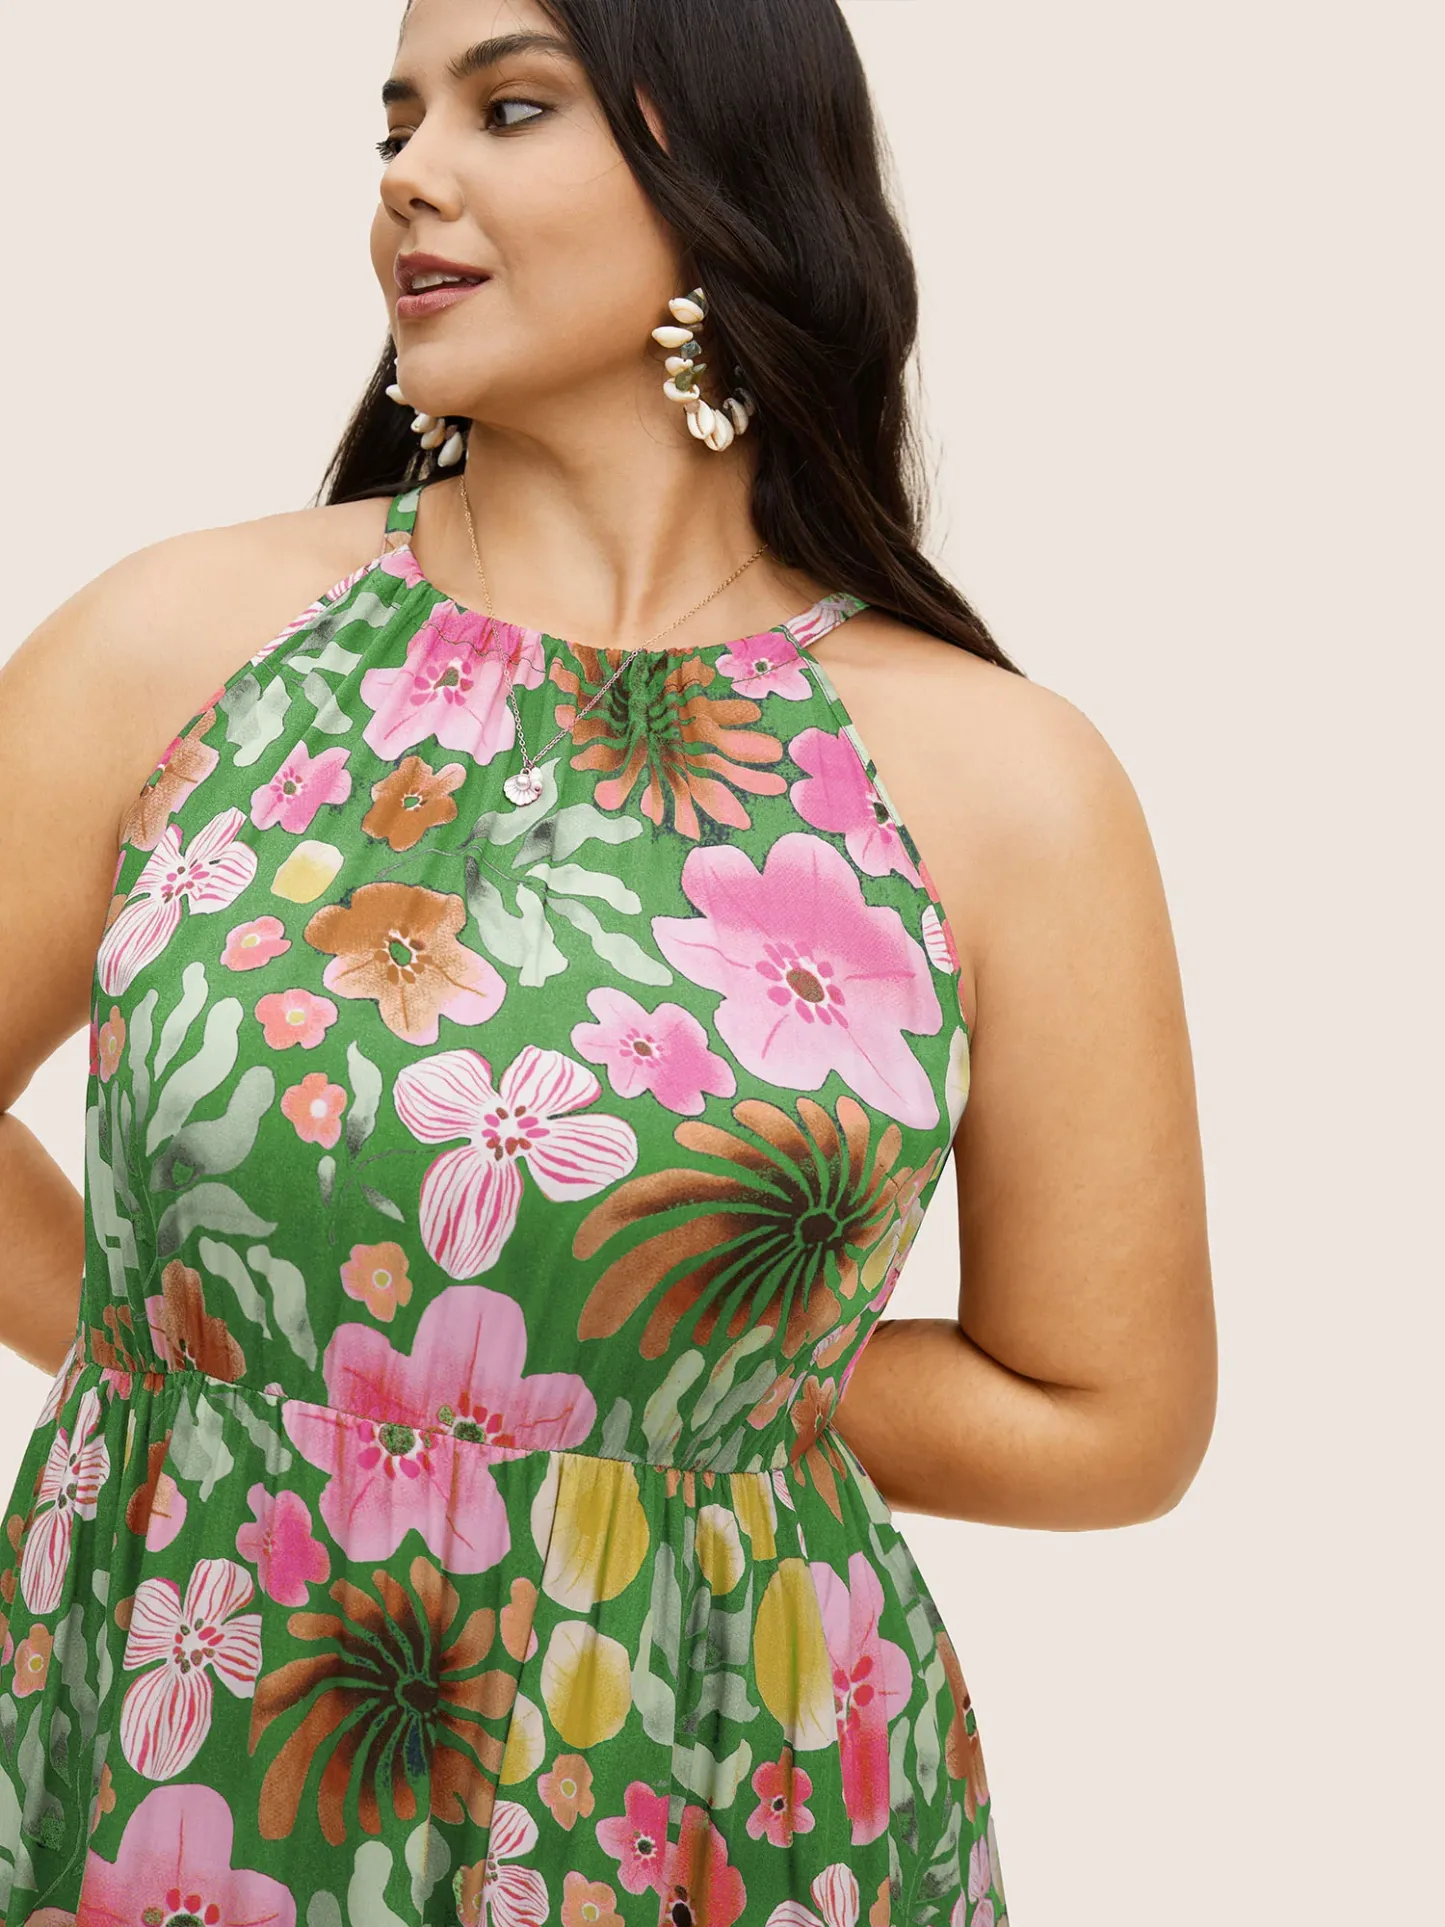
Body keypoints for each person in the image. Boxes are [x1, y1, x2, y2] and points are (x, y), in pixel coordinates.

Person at [0, 2, 1216, 1922]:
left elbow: (1109, 1418)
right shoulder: (181, 644)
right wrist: (229, 1367)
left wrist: (631, 1387)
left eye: (509, 105)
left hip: (725, 1766)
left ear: (724, 176)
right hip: (201, 1718)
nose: (411, 172)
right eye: (396, 121)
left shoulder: (1002, 780)